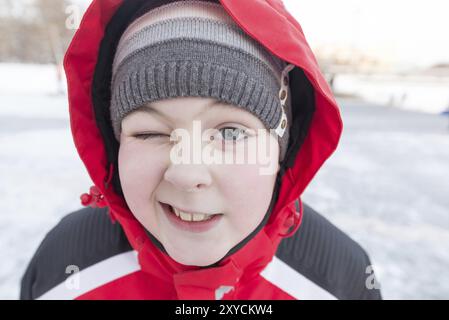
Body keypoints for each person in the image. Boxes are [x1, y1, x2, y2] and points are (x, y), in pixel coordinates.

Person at [20, 0, 382, 300]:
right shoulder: (65, 264)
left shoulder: (339, 277)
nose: (187, 172)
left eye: (230, 132)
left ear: (280, 150)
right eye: (149, 133)